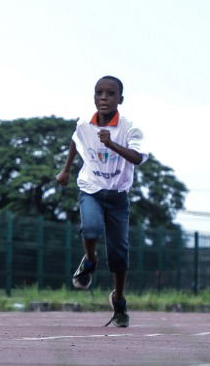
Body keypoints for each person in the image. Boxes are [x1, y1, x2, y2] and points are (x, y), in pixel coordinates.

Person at [56, 76, 147, 328]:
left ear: (120, 99)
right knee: (91, 229)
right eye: (99, 93)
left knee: (119, 255)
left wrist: (112, 143)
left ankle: (118, 300)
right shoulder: (85, 123)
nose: (103, 98)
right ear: (94, 97)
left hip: (117, 196)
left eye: (110, 93)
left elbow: (138, 157)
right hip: (92, 189)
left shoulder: (129, 128)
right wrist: (65, 170)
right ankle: (90, 260)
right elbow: (77, 141)